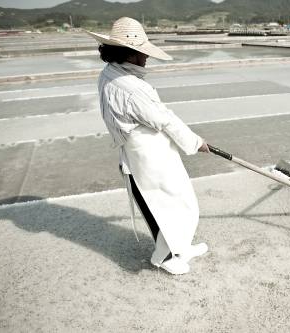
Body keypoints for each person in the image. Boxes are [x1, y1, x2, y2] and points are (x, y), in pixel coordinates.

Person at [86, 17, 209, 275]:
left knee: (179, 200)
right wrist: (196, 142)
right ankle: (163, 258)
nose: (147, 57)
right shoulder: (130, 87)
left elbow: (159, 115)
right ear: (128, 53)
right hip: (146, 156)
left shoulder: (110, 72)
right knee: (160, 204)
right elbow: (165, 120)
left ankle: (181, 247)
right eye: (143, 52)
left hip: (151, 150)